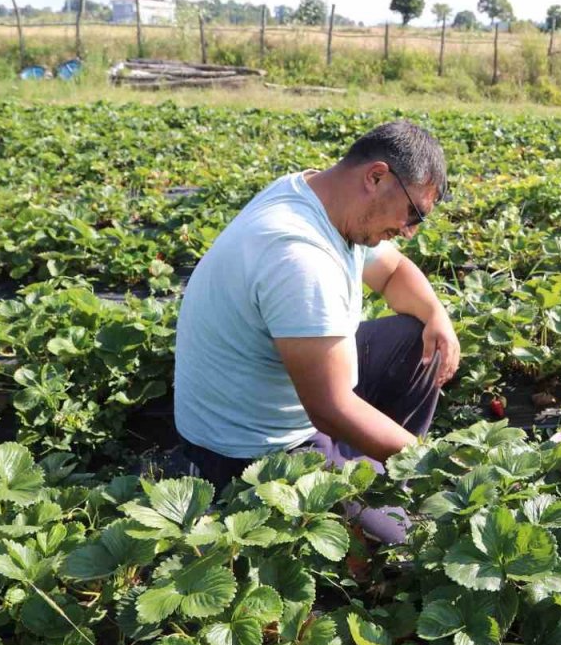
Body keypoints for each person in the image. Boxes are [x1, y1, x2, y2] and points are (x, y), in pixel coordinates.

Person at [173, 120, 460, 544]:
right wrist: (431, 464)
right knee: (407, 543)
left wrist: (437, 314)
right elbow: (328, 408)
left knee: (417, 339)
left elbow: (394, 270)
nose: (409, 231)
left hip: (285, 388)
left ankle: (379, 472)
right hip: (252, 449)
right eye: (413, 213)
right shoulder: (298, 255)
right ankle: (381, 485)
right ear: (376, 177)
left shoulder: (319, 196)